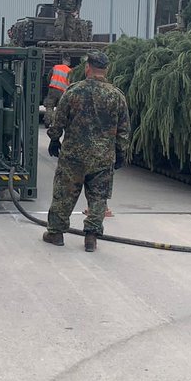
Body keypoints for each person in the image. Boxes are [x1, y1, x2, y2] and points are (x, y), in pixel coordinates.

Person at [44, 51, 130, 252]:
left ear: (87, 68)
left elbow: (59, 120)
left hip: (73, 155)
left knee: (64, 193)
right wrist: (120, 152)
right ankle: (91, 237)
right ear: (106, 69)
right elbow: (123, 129)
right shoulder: (116, 96)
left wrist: (54, 140)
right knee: (98, 196)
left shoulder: (73, 91)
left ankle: (56, 234)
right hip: (102, 156)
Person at [41, 57, 76, 127]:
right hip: (63, 91)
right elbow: (72, 82)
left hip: (53, 88)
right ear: (69, 63)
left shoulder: (56, 67)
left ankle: (47, 121)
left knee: (49, 106)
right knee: (59, 108)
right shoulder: (70, 71)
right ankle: (54, 123)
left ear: (62, 61)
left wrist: (50, 84)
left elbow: (49, 77)